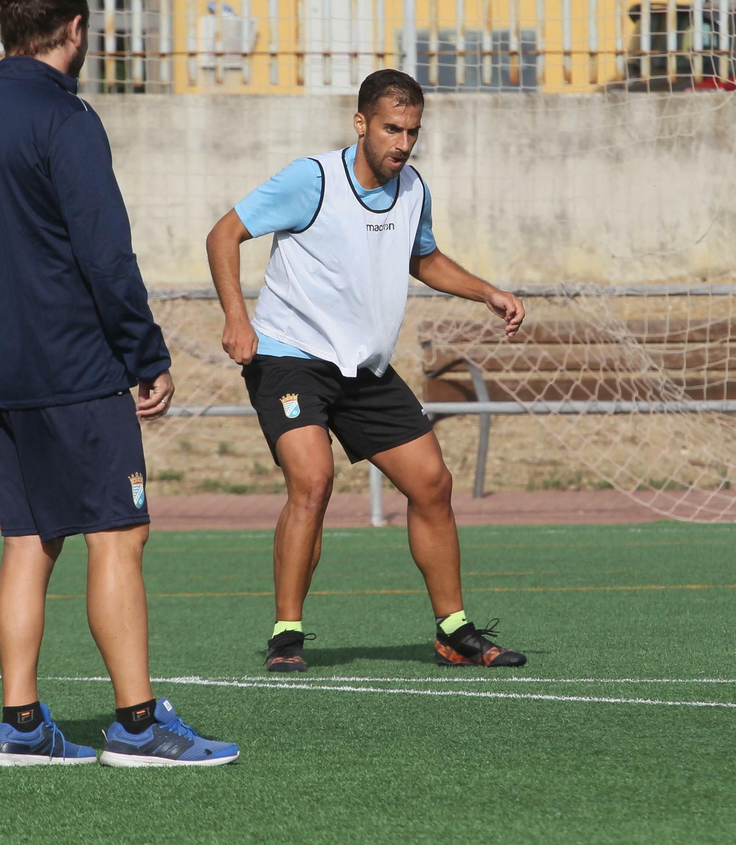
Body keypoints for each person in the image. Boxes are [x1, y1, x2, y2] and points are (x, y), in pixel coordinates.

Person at [0, 0, 237, 768]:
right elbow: (104, 253)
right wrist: (145, 354)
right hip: (76, 368)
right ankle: (137, 724)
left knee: (28, 539)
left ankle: (19, 724)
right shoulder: (67, 120)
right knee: (118, 534)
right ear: (76, 31)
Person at [206, 68, 528, 673]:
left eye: (412, 131)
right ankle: (286, 635)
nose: (401, 143)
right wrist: (236, 318)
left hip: (364, 369)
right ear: (361, 124)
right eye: (390, 129)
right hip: (290, 358)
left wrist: (485, 291)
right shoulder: (312, 180)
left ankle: (453, 631)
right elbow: (224, 234)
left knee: (432, 483)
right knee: (313, 479)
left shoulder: (413, 189)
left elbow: (423, 258)